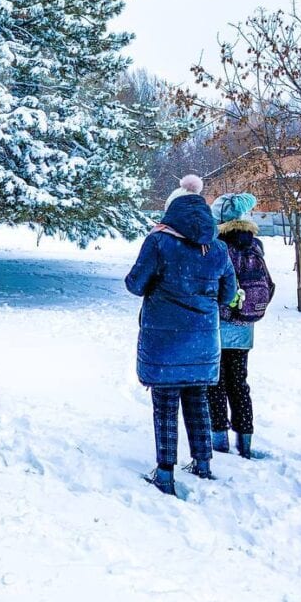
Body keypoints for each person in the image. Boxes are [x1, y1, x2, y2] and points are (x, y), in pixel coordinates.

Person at [125, 175, 237, 496]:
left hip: (165, 341)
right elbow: (229, 292)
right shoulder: (216, 247)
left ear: (171, 210)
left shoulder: (159, 241)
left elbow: (135, 284)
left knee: (165, 405)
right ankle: (203, 463)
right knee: (197, 401)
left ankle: (165, 473)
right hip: (202, 341)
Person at [209, 193, 275, 459]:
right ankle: (245, 439)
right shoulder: (255, 244)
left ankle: (219, 438)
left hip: (217, 326)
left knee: (216, 383)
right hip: (244, 327)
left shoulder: (215, 245)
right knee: (239, 382)